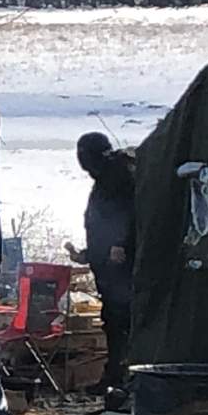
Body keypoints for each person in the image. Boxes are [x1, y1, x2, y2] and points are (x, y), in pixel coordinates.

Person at [65, 132, 135, 394]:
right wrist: (87, 254)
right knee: (114, 322)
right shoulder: (106, 178)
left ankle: (121, 380)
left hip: (120, 267)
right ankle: (114, 378)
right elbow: (103, 224)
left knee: (121, 322)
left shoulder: (119, 175)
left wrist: (121, 244)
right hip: (106, 264)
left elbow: (129, 211)